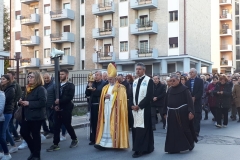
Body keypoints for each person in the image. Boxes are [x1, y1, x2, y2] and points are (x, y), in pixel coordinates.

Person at [94, 63, 129, 150]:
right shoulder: (105, 87)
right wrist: (104, 97)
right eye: (109, 79)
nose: (110, 80)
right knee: (106, 125)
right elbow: (102, 97)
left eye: (111, 79)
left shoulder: (121, 87)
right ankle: (103, 143)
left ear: (115, 78)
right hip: (106, 109)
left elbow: (122, 100)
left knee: (114, 125)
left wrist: (111, 96)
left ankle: (116, 144)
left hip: (115, 111)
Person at [163, 75, 197, 154]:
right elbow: (165, 102)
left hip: (182, 113)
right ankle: (173, 148)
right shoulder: (170, 90)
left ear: (179, 81)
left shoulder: (185, 89)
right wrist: (164, 112)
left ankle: (190, 143)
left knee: (185, 129)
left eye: (173, 81)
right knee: (172, 131)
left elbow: (190, 101)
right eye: (170, 81)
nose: (172, 82)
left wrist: (191, 112)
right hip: (171, 113)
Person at [47, 69, 78, 152]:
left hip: (66, 108)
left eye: (62, 74)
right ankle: (55, 144)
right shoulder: (57, 85)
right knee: (56, 126)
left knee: (67, 125)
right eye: (60, 74)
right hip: (57, 108)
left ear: (67, 75)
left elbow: (69, 97)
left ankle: (74, 139)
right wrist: (55, 105)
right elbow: (54, 96)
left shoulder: (70, 85)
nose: (61, 76)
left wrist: (60, 101)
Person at [18, 71, 47, 160]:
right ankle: (33, 151)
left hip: (36, 116)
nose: (29, 78)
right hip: (26, 115)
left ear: (37, 79)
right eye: (29, 76)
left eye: (32, 77)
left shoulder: (40, 89)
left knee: (35, 135)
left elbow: (43, 102)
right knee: (23, 132)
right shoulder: (28, 88)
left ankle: (36, 155)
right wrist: (20, 102)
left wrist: (29, 103)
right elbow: (23, 99)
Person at [130, 62, 154, 158]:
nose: (137, 71)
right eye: (136, 69)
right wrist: (131, 105)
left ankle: (141, 149)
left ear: (144, 70)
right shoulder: (135, 81)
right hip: (135, 110)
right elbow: (131, 95)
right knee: (135, 129)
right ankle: (139, 147)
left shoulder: (149, 80)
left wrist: (139, 106)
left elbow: (149, 96)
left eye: (139, 69)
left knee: (143, 129)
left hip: (144, 109)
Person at [85, 71, 106, 145]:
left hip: (100, 105)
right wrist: (88, 86)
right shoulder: (92, 83)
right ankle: (93, 139)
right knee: (93, 122)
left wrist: (95, 91)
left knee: (99, 122)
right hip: (92, 105)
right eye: (95, 75)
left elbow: (103, 93)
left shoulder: (104, 83)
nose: (95, 76)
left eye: (97, 75)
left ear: (100, 76)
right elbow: (87, 94)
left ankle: (100, 138)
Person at [0, 75, 18, 155]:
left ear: (8, 80)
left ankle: (3, 152)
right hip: (4, 112)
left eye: (3, 79)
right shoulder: (3, 89)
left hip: (7, 112)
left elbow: (5, 101)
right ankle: (14, 145)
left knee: (2, 133)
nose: (1, 80)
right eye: (1, 79)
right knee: (6, 131)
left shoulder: (11, 89)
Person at [185, 68, 203, 137]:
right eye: (190, 72)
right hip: (189, 101)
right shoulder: (187, 81)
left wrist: (195, 97)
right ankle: (191, 130)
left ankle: (196, 131)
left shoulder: (200, 81)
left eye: (192, 72)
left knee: (197, 117)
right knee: (190, 116)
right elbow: (186, 91)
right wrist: (190, 97)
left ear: (195, 73)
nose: (190, 73)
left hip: (197, 101)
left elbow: (201, 91)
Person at [6, 71, 22, 142]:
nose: (8, 76)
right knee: (10, 123)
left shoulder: (16, 85)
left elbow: (18, 95)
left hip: (13, 106)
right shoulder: (8, 84)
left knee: (10, 123)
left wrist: (14, 103)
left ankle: (10, 138)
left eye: (9, 75)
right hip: (10, 106)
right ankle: (15, 136)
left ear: (13, 76)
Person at [43, 73, 55, 139]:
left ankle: (53, 132)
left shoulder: (53, 84)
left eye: (47, 78)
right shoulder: (44, 85)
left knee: (51, 119)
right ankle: (49, 130)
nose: (46, 79)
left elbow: (56, 95)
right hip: (46, 105)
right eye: (45, 78)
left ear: (50, 77)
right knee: (48, 118)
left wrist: (54, 104)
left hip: (52, 105)